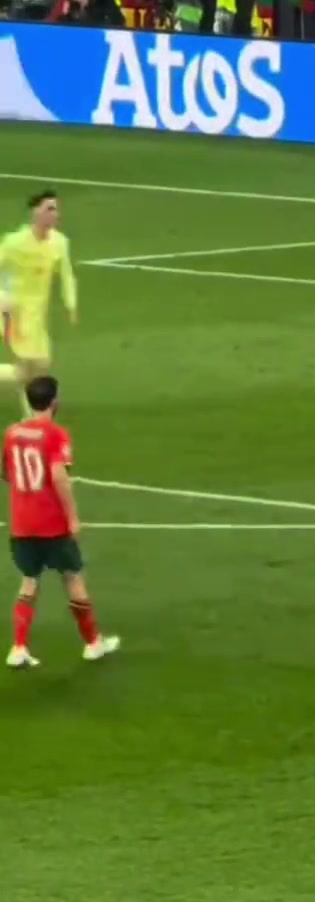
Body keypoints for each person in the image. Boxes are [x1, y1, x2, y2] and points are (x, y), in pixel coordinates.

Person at [1, 376, 120, 670]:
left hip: (22, 523)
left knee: (29, 581)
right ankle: (93, 643)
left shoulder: (12, 433)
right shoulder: (56, 435)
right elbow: (58, 476)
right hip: (52, 524)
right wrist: (73, 517)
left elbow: (5, 472)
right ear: (54, 401)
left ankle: (18, 647)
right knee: (73, 578)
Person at [0, 191, 77, 416]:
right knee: (34, 366)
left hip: (37, 315)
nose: (55, 214)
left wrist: (70, 304)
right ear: (36, 212)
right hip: (16, 313)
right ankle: (34, 416)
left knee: (32, 371)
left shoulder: (59, 243)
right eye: (49, 208)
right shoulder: (14, 242)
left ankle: (32, 415)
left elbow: (67, 275)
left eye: (56, 209)